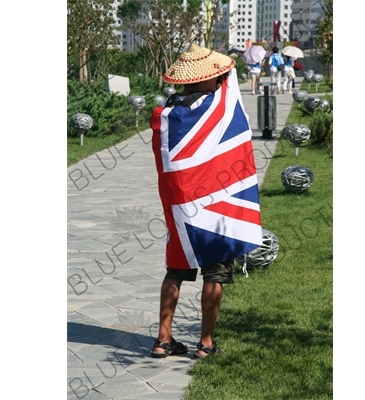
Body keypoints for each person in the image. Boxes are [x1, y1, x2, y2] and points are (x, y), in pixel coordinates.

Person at [149, 44, 263, 359]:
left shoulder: (168, 113)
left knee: (176, 270)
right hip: (216, 206)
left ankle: (163, 339)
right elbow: (229, 85)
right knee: (215, 273)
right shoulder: (220, 107)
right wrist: (224, 70)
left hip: (182, 208)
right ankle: (206, 343)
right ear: (211, 77)